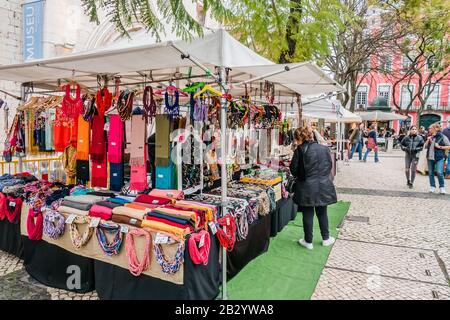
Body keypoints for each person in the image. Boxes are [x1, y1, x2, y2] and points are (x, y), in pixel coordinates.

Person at [290, 127, 337, 250]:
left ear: (299, 138)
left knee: (308, 213)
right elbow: (329, 166)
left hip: (307, 186)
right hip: (323, 184)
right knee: (322, 212)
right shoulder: (324, 149)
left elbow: (293, 170)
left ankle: (308, 241)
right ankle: (326, 238)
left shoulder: (299, 150)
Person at [424, 123, 450, 194]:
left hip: (439, 157)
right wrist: (427, 140)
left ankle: (442, 187)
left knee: (439, 172)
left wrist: (440, 147)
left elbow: (448, 146)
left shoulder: (443, 137)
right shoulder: (430, 136)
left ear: (436, 129)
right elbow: (425, 146)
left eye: (430, 128)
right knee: (431, 173)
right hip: (430, 157)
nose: (429, 130)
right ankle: (432, 186)